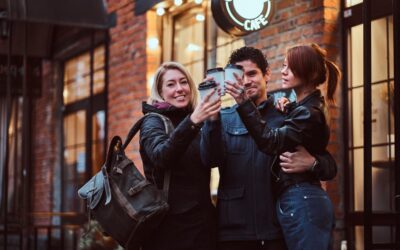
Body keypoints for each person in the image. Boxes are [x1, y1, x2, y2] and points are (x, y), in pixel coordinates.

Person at [201, 46, 337, 250]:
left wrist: (313, 163)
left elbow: (330, 166)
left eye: (252, 73)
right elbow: (209, 160)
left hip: (276, 229)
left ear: (266, 75)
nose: (246, 81)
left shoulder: (286, 114)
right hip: (233, 231)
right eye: (239, 75)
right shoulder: (223, 118)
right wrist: (211, 119)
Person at [139, 61, 221, 250]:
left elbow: (214, 159)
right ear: (160, 91)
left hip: (202, 226)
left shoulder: (196, 118)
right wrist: (193, 121)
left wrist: (213, 119)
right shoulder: (153, 121)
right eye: (171, 84)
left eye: (183, 82)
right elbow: (161, 157)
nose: (180, 89)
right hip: (169, 230)